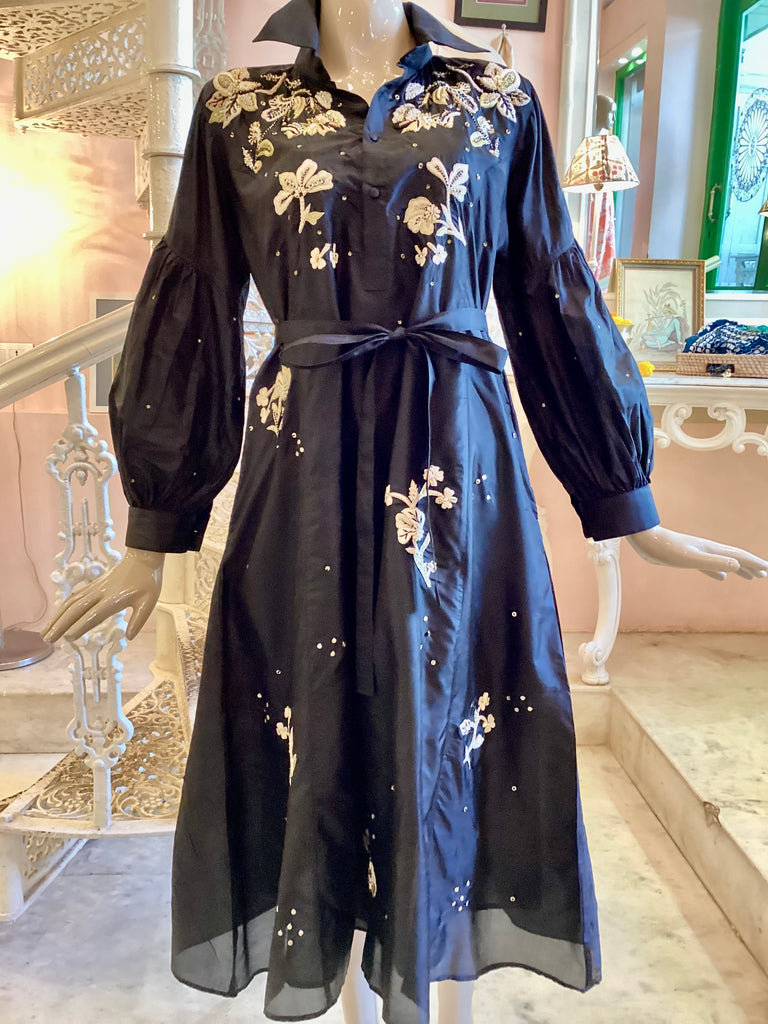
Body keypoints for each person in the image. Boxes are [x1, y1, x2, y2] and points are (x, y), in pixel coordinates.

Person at [44, 2, 767, 1022]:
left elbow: (550, 294)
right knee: (322, 734)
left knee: (446, 729)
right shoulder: (235, 109)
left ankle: (433, 994)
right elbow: (195, 301)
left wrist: (627, 502)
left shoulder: (500, 100)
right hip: (305, 471)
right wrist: (152, 531)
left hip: (458, 472)